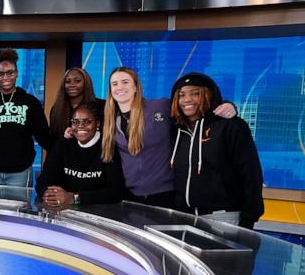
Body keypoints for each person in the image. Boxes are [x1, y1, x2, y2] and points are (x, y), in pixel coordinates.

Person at [101, 67, 235, 208]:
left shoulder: (159, 107)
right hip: (132, 197)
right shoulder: (110, 119)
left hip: (166, 195)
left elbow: (192, 106)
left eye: (125, 82)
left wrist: (227, 105)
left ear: (135, 87)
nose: (120, 87)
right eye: (114, 84)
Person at [170, 73, 264, 229]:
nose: (187, 100)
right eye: (181, 95)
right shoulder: (175, 130)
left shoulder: (231, 126)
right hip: (183, 218)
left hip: (223, 218)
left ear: (208, 95)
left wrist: (249, 217)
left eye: (195, 93)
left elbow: (250, 172)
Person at [0, 47, 51, 186]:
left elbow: (44, 138)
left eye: (10, 73)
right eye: (1, 74)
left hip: (20, 173)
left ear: (17, 73)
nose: (5, 78)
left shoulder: (30, 102)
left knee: (18, 208)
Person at [37, 102, 124, 208]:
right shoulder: (63, 145)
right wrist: (48, 195)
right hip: (65, 210)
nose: (80, 126)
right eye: (75, 121)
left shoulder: (109, 148)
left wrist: (74, 198)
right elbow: (43, 181)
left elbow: (115, 192)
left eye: (87, 121)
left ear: (97, 124)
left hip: (99, 212)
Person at [48, 67, 104, 139]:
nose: (72, 84)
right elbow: (53, 138)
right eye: (67, 81)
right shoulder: (56, 109)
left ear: (86, 83)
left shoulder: (101, 106)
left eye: (77, 81)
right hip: (63, 149)